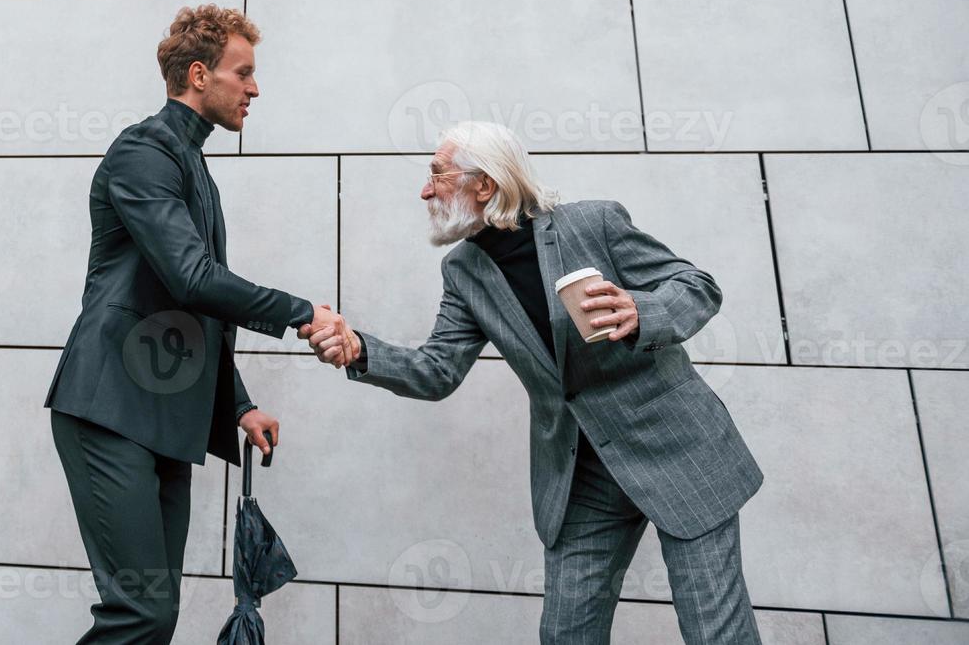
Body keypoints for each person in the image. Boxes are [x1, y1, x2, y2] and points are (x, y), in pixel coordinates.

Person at [302, 120, 764, 645]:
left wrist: (642, 309)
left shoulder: (594, 223)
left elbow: (696, 285)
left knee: (715, 633)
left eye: (438, 174)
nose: (425, 190)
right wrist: (360, 350)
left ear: (485, 185)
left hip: (679, 453)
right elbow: (437, 370)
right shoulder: (464, 271)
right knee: (567, 635)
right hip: (581, 479)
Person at [45, 4, 351, 644]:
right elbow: (192, 278)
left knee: (156, 618)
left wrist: (237, 406)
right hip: (107, 410)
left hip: (162, 418)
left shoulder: (193, 166)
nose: (255, 88)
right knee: (140, 614)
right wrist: (302, 314)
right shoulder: (143, 152)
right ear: (197, 74)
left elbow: (191, 311)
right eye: (243, 73)